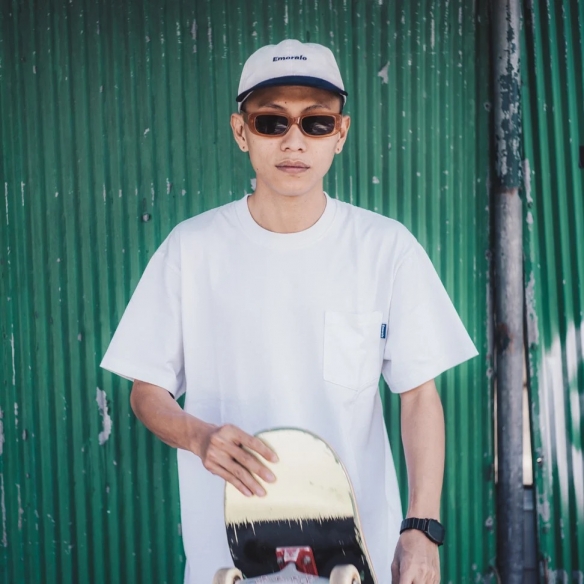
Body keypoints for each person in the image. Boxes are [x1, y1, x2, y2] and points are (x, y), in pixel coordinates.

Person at [101, 39, 477, 584]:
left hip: (355, 561)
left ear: (340, 134)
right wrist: (198, 437)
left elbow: (419, 394)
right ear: (241, 131)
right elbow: (147, 391)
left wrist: (421, 528)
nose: (293, 141)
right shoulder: (192, 248)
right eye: (271, 122)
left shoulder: (385, 248)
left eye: (316, 123)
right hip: (226, 561)